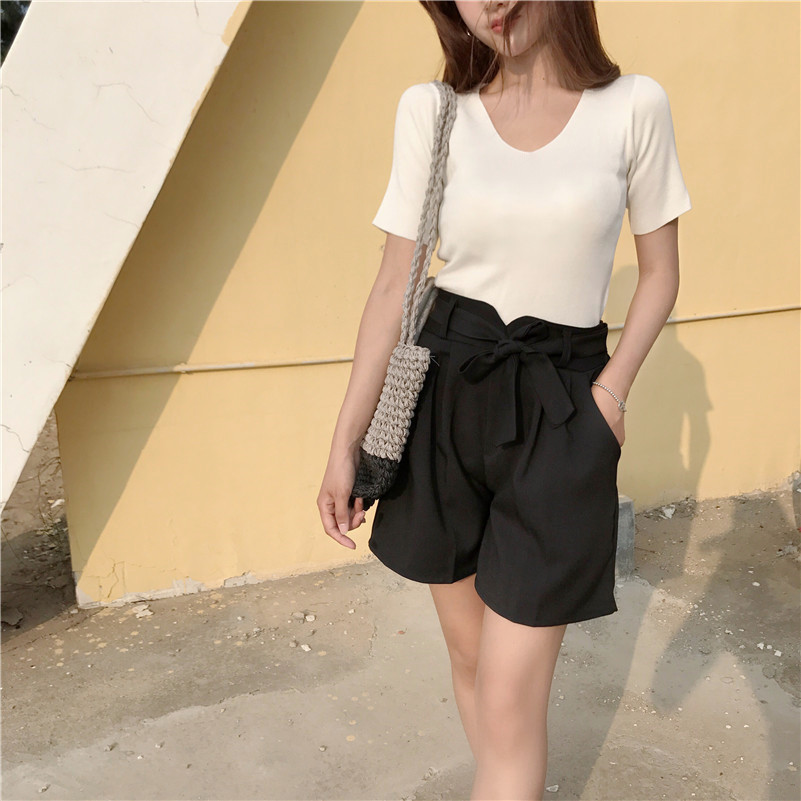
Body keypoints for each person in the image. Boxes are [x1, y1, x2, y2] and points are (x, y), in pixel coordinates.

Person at [317, 1, 692, 798]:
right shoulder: (432, 112)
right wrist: (343, 442)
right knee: (471, 658)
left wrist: (610, 393)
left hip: (561, 405)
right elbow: (393, 283)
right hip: (445, 395)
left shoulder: (633, 106)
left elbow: (659, 273)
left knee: (509, 689)